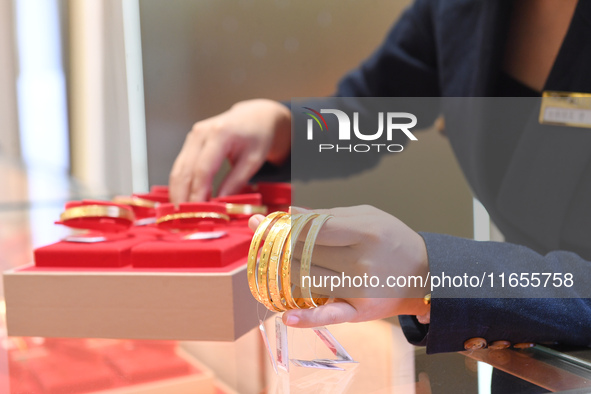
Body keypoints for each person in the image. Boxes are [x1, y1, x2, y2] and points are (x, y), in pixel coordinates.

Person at [169, 0, 591, 354]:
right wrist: (284, 128)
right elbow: (371, 113)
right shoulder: (462, 9)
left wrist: (440, 273)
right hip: (523, 346)